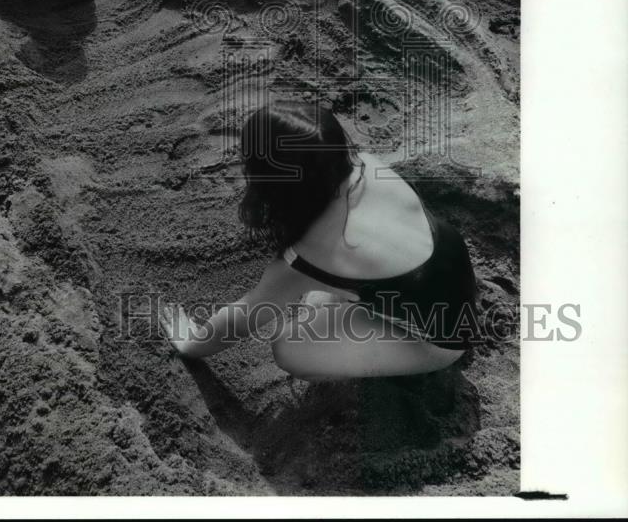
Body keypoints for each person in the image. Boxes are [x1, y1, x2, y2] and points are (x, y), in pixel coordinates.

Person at [159, 103, 478, 378]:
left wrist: (190, 343)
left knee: (290, 349)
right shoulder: (370, 165)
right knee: (324, 292)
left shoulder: (309, 255)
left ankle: (404, 362)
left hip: (440, 342)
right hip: (452, 283)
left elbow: (243, 319)